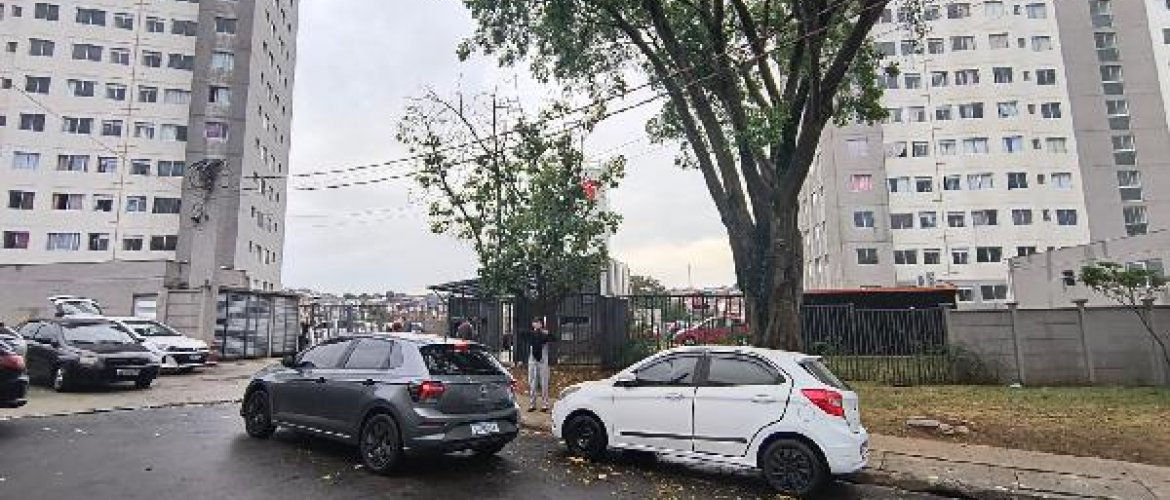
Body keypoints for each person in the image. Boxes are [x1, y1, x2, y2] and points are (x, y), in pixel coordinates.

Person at [521, 317, 556, 412]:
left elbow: (554, 338)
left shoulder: (545, 334)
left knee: (544, 382)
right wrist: (534, 331)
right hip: (533, 360)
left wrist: (547, 333)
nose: (537, 324)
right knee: (532, 382)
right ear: (533, 324)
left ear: (541, 324)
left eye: (538, 322)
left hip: (543, 361)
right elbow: (522, 333)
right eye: (535, 322)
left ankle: (545, 404)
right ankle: (532, 404)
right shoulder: (530, 334)